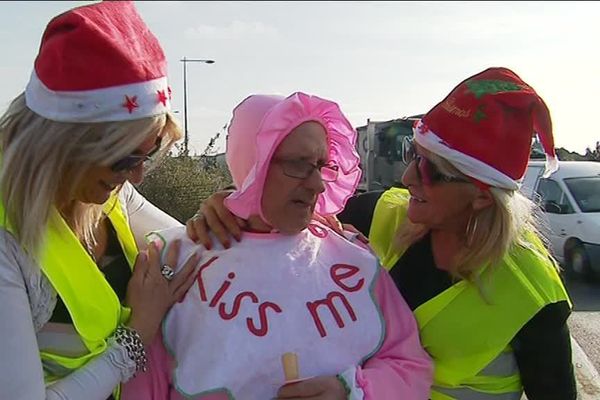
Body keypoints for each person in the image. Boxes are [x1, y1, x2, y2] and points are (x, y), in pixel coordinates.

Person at [188, 68, 577, 400]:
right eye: (415, 157)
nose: (409, 178)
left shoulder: (532, 293)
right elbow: (283, 208)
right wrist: (228, 204)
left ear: (480, 196)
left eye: (432, 172)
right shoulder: (386, 214)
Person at [122, 92, 433, 400]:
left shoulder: (354, 261)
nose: (318, 184)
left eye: (321, 165)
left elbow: (409, 366)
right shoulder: (174, 260)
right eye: (299, 164)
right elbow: (143, 383)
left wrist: (350, 391)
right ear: (255, 162)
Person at [0, 2, 199, 399]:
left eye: (151, 151)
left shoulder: (108, 191)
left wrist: (235, 217)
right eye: (124, 158)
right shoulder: (8, 243)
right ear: (62, 145)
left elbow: (187, 248)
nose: (138, 176)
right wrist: (137, 334)